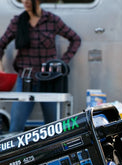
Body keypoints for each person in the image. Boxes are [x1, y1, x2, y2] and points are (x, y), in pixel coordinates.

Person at [0, 0, 81, 132]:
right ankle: (16, 153)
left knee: (53, 128)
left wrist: (61, 63)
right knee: (16, 127)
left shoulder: (52, 20)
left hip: (49, 81)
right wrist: (1, 69)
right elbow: (1, 44)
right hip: (26, 80)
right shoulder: (18, 21)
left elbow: (75, 39)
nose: (24, 1)